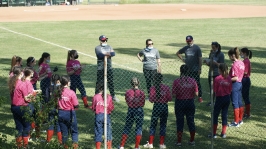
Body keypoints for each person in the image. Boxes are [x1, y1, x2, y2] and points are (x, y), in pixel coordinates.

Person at [143, 73, 171, 149]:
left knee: (153, 125)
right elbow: (170, 98)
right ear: (162, 79)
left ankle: (151, 143)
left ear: (154, 80)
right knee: (163, 125)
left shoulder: (152, 88)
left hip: (156, 106)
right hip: (164, 107)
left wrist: (156, 98)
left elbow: (151, 100)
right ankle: (161, 144)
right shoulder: (166, 87)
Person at [172, 64, 198, 147]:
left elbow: (173, 95)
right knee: (191, 121)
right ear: (188, 71)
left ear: (180, 71)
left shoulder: (176, 81)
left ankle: (179, 142)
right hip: (190, 102)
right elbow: (196, 94)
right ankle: (192, 140)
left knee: (180, 122)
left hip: (179, 103)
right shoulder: (193, 81)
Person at [119, 77, 145, 149]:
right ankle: (136, 147)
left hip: (131, 110)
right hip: (139, 110)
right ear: (138, 83)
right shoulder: (141, 93)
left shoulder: (127, 92)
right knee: (139, 128)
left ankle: (121, 146)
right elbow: (142, 104)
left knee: (127, 127)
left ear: (131, 83)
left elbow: (127, 101)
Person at [8, 67, 32, 148]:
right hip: (22, 107)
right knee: (26, 126)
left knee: (18, 126)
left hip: (14, 107)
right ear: (21, 74)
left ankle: (19, 146)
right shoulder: (22, 84)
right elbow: (26, 98)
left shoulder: (12, 82)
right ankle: (25, 145)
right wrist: (33, 95)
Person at [176, 35, 203, 103]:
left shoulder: (197, 48)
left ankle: (200, 96)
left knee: (197, 83)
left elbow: (200, 59)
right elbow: (178, 53)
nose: (189, 42)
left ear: (193, 40)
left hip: (195, 69)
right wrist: (183, 60)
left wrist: (199, 68)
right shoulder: (185, 48)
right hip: (188, 70)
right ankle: (191, 96)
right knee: (188, 83)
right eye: (187, 41)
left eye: (190, 41)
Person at [208, 63, 232, 138]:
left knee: (215, 115)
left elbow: (214, 91)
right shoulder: (229, 78)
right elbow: (230, 89)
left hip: (219, 98)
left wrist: (212, 100)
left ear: (220, 70)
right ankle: (223, 133)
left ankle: (214, 133)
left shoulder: (217, 78)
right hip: (227, 98)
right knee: (224, 115)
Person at [57, 75, 79, 149]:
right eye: (69, 81)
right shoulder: (71, 92)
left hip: (60, 113)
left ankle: (64, 146)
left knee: (64, 133)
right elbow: (76, 105)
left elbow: (55, 103)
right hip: (69, 113)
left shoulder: (58, 91)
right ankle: (75, 147)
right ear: (67, 82)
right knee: (74, 131)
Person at [95, 35, 118, 101]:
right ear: (100, 41)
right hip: (101, 68)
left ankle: (113, 95)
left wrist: (105, 54)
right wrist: (108, 54)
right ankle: (97, 95)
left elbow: (113, 53)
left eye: (105, 40)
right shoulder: (97, 48)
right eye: (103, 40)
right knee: (99, 82)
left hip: (109, 67)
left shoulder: (109, 46)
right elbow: (100, 55)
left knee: (111, 81)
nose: (105, 41)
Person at [91, 82, 114, 149]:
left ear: (99, 88)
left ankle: (98, 147)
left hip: (98, 116)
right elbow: (111, 108)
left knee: (98, 132)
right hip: (107, 115)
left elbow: (93, 107)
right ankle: (109, 147)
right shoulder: (109, 97)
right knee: (108, 132)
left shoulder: (95, 97)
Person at [228, 47, 245, 127]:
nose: (229, 58)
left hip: (235, 84)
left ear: (233, 55)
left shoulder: (234, 65)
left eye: (229, 56)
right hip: (240, 84)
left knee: (235, 103)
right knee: (239, 101)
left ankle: (236, 122)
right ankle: (240, 119)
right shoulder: (241, 63)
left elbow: (235, 77)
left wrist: (227, 80)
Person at [204, 42, 224, 106]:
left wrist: (215, 63)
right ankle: (212, 101)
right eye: (212, 47)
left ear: (217, 47)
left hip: (217, 73)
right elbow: (210, 64)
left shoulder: (221, 54)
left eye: (214, 47)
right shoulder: (211, 53)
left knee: (217, 89)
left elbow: (222, 65)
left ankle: (218, 101)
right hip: (211, 73)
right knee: (211, 88)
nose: (213, 49)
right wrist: (207, 62)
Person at [46, 74, 62, 144]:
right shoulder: (61, 89)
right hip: (59, 107)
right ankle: (60, 141)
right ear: (59, 81)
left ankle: (48, 141)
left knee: (50, 123)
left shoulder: (49, 88)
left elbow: (46, 98)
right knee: (58, 124)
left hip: (50, 107)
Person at [240, 48, 252, 118]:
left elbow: (245, 72)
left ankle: (247, 113)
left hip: (245, 79)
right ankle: (246, 112)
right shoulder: (245, 61)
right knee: (244, 96)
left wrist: (238, 71)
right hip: (245, 79)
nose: (240, 54)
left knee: (245, 96)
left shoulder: (246, 61)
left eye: (241, 53)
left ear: (244, 53)